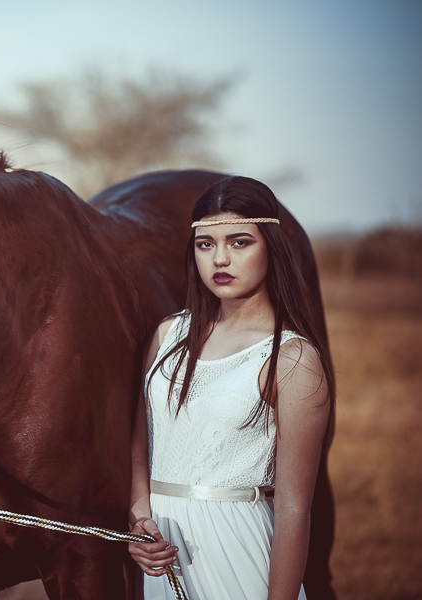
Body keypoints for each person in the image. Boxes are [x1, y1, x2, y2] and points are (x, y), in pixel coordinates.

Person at [128, 176, 335, 600]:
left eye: (239, 242)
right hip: (163, 557)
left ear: (270, 248)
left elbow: (295, 508)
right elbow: (140, 444)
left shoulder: (292, 358)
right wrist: (138, 518)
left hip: (239, 555)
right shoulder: (168, 335)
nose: (220, 259)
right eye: (206, 244)